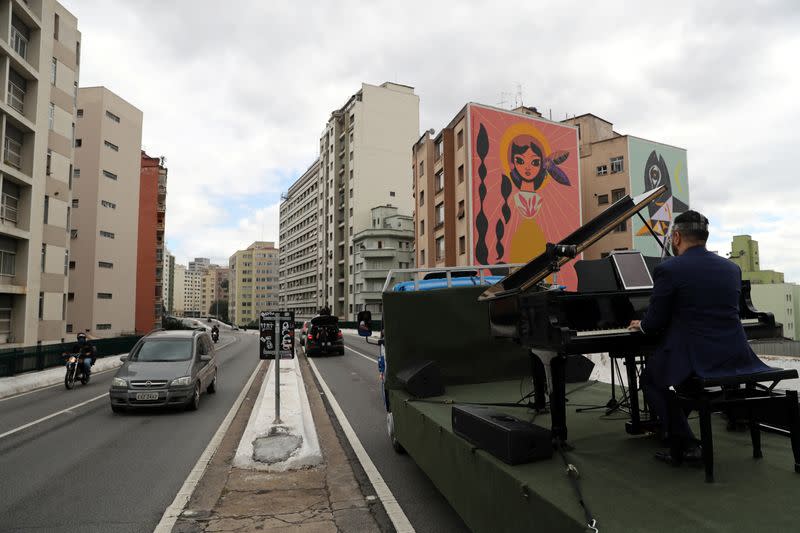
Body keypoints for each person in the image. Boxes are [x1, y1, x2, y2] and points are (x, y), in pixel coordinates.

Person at [628, 210, 770, 465]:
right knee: (680, 379)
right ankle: (674, 429)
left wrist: (642, 326)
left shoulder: (668, 269)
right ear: (705, 237)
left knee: (650, 379)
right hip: (733, 351)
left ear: (677, 237)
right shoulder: (731, 268)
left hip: (696, 354)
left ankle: (687, 444)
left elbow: (656, 321)